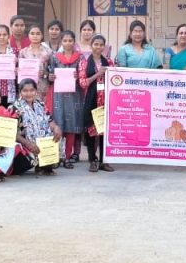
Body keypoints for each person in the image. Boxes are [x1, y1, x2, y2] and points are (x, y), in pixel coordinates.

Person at [49, 30, 85, 168]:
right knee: (59, 123)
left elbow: (84, 74)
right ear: (61, 42)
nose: (68, 43)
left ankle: (68, 157)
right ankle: (57, 156)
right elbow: (50, 73)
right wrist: (51, 76)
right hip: (59, 95)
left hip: (75, 95)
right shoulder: (55, 57)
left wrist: (79, 75)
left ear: (74, 42)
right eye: (65, 41)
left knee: (71, 125)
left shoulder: (80, 57)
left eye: (70, 40)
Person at [13, 79, 64, 176]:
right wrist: (27, 143)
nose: (29, 93)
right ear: (20, 92)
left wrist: (56, 128)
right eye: (25, 91)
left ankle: (44, 165)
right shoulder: (15, 108)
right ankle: (36, 164)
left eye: (31, 90)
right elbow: (11, 133)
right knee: (26, 161)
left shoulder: (40, 104)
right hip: (24, 145)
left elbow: (50, 120)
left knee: (57, 137)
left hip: (41, 143)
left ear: (36, 91)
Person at [79, 34, 114, 171]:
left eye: (101, 45)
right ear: (91, 45)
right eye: (96, 44)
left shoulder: (109, 62)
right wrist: (98, 74)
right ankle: (92, 160)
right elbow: (83, 83)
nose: (98, 47)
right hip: (91, 99)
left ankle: (104, 161)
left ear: (104, 46)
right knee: (91, 131)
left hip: (106, 99)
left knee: (104, 131)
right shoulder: (84, 62)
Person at [19, 24, 53, 99]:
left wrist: (45, 74)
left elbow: (52, 72)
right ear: (28, 35)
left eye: (38, 34)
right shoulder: (23, 52)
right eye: (32, 33)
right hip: (27, 89)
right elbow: (19, 71)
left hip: (43, 88)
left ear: (42, 35)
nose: (35, 36)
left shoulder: (48, 52)